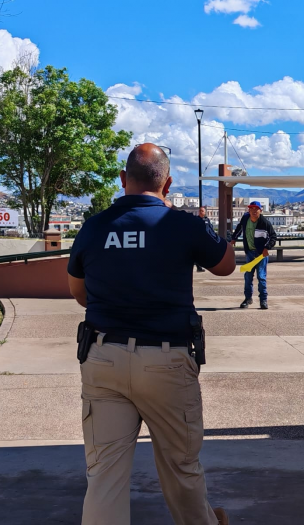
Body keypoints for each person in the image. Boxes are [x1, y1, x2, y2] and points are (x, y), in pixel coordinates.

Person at [67, 143, 235, 525]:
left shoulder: (95, 226)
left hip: (103, 358)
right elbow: (225, 264)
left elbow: (78, 292)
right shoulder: (183, 225)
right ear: (168, 183)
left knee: (104, 473)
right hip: (166, 361)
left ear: (122, 179)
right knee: (181, 467)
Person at [230, 201, 277, 309]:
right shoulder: (245, 218)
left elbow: (273, 237)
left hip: (261, 255)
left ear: (260, 210)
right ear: (249, 210)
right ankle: (248, 298)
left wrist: (267, 248)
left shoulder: (265, 223)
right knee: (248, 277)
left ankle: (263, 300)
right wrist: (233, 238)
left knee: (261, 277)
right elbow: (239, 228)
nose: (254, 211)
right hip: (250, 253)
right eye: (252, 209)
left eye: (256, 209)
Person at [196, 206, 213, 272]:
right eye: (200, 211)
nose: (201, 212)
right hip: (199, 239)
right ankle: (199, 267)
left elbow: (210, 228)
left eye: (202, 211)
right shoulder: (196, 219)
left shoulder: (207, 220)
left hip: (206, 239)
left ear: (205, 212)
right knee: (198, 253)